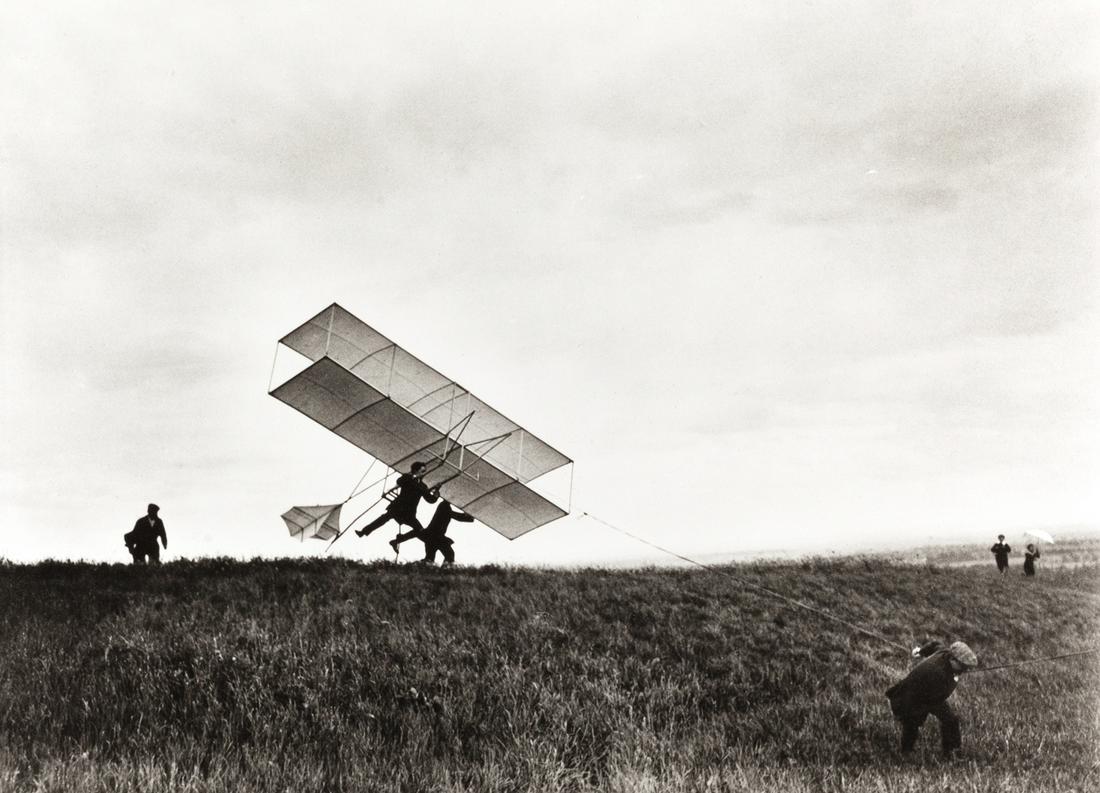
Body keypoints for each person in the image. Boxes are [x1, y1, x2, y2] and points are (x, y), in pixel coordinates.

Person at [885, 640, 978, 757]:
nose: (965, 670)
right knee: (912, 723)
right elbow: (937, 698)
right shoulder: (938, 674)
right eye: (963, 667)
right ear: (952, 659)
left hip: (930, 694)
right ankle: (906, 752)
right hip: (912, 697)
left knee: (951, 720)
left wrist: (920, 651)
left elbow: (935, 644)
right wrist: (955, 676)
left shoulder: (944, 652)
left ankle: (952, 752)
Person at [354, 462, 435, 549]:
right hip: (398, 507)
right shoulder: (407, 477)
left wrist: (436, 492)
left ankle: (396, 541)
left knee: (419, 530)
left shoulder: (423, 486)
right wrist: (413, 477)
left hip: (409, 512)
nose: (424, 473)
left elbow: (430, 499)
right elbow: (399, 481)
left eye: (424, 471)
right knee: (383, 519)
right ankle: (363, 532)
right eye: (422, 471)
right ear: (415, 471)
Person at [395, 497, 474, 566]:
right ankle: (443, 571)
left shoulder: (444, 506)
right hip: (436, 537)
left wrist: (468, 517)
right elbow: (457, 516)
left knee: (430, 559)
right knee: (449, 555)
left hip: (432, 536)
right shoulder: (444, 507)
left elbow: (456, 516)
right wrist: (469, 517)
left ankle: (419, 567)